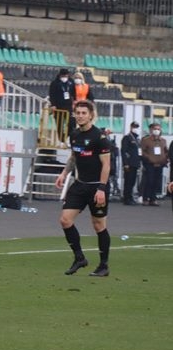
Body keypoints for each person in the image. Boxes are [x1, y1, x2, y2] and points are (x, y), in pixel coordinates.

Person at [55, 100, 112, 277]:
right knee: (65, 220)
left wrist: (101, 189)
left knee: (98, 225)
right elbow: (74, 157)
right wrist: (64, 173)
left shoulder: (99, 137)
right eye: (77, 113)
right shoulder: (74, 135)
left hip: (97, 187)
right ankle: (79, 258)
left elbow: (106, 166)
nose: (80, 116)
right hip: (80, 185)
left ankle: (103, 265)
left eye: (83, 113)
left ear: (90, 115)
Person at [140, 123, 168, 206]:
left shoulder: (163, 141)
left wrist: (165, 158)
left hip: (160, 164)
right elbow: (142, 151)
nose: (157, 130)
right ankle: (145, 198)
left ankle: (153, 199)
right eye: (155, 129)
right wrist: (149, 158)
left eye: (159, 129)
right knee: (149, 181)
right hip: (150, 164)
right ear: (151, 130)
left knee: (156, 182)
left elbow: (166, 151)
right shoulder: (146, 140)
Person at [48, 68, 75, 142]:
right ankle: (61, 139)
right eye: (63, 76)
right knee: (59, 124)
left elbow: (73, 92)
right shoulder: (55, 83)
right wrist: (53, 105)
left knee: (71, 122)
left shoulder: (71, 82)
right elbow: (52, 94)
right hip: (58, 106)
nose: (65, 77)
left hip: (68, 106)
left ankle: (67, 136)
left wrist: (74, 101)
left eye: (66, 75)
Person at [121, 121, 142, 206]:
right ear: (131, 127)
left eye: (137, 127)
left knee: (132, 182)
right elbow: (123, 151)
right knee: (128, 181)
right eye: (134, 127)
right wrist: (125, 163)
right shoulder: (127, 138)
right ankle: (126, 198)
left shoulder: (137, 139)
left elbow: (139, 152)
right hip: (129, 164)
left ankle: (130, 197)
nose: (135, 128)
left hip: (135, 163)